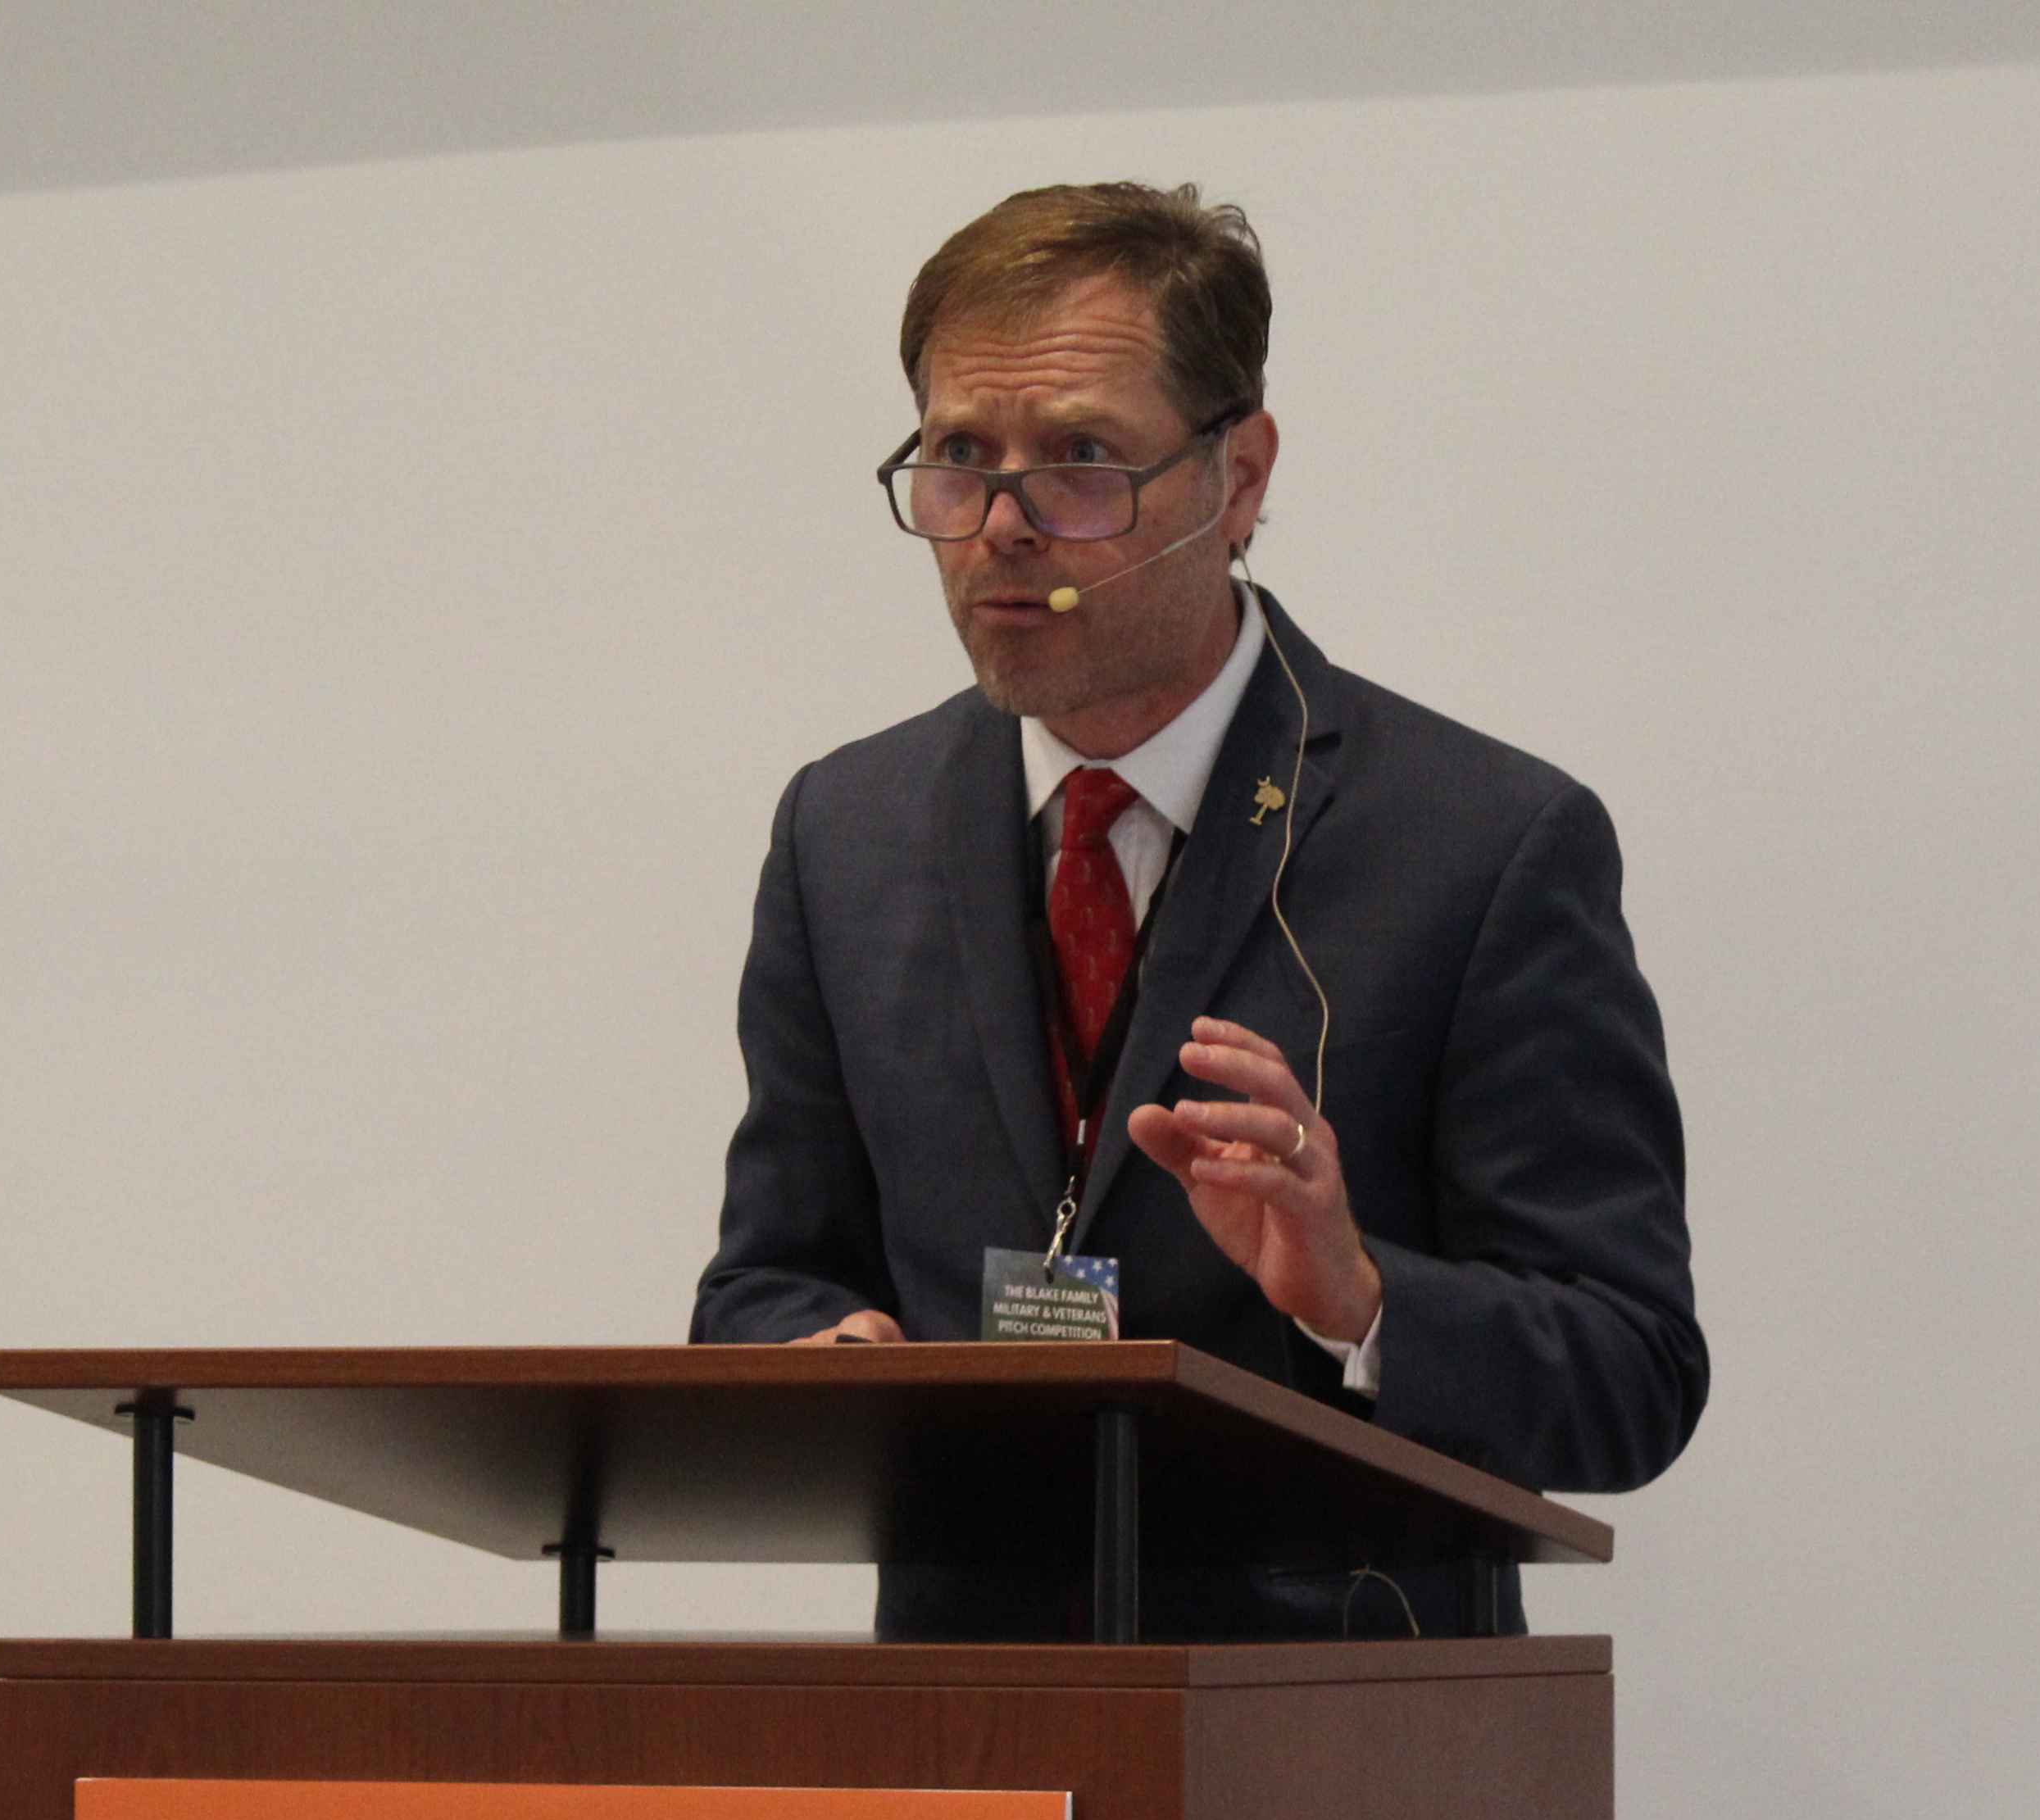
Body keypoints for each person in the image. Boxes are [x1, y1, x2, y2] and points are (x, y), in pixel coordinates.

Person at [689, 181, 1705, 1637]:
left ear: (1238, 477)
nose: (1000, 529)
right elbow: (768, 1275)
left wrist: (1357, 1296)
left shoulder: (1484, 846)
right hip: (968, 1746)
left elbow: (1632, 1373)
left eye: (1081, 461)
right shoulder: (843, 834)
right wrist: (814, 1347)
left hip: (1332, 1760)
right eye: (960, 459)